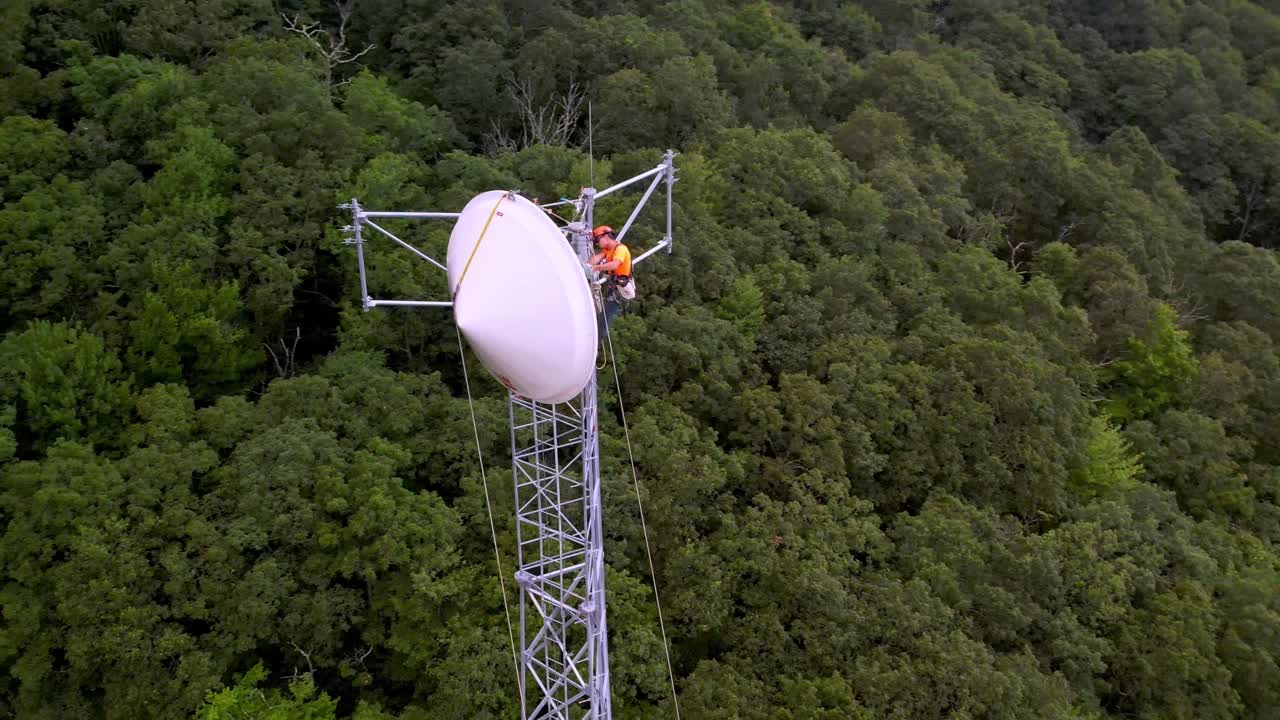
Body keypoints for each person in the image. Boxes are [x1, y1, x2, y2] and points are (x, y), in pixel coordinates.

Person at [587, 225, 634, 331]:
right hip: (613, 288)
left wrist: (596, 268)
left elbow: (615, 265)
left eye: (597, 240)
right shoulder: (608, 250)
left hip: (619, 292)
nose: (597, 244)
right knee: (600, 318)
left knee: (602, 324)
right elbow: (595, 259)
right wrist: (585, 265)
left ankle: (593, 344)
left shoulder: (621, 249)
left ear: (606, 236)